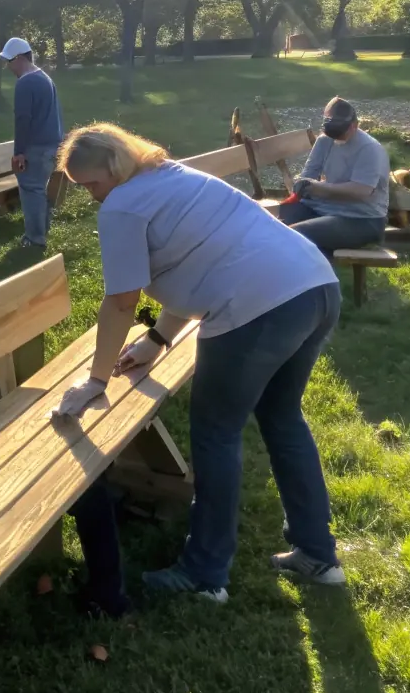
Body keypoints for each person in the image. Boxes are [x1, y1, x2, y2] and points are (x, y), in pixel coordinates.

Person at [54, 123, 346, 607]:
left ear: (112, 167)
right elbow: (203, 260)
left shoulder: (123, 205)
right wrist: (158, 337)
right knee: (281, 417)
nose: (91, 197)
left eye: (91, 184)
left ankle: (206, 573)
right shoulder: (176, 176)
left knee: (215, 433)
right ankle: (318, 555)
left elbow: (121, 300)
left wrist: (95, 379)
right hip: (314, 285)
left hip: (257, 308)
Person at [279, 97, 390, 256]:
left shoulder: (369, 148)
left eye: (340, 133)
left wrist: (319, 187)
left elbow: (362, 190)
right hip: (325, 208)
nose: (336, 138)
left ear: (354, 125)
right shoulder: (325, 140)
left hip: (361, 218)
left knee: (297, 233)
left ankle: (317, 275)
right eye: (332, 134)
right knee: (279, 222)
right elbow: (309, 173)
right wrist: (302, 185)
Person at [0, 36, 64, 249]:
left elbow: (23, 119)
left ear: (19, 58)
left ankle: (35, 240)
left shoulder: (25, 83)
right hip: (52, 146)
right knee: (40, 191)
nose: (7, 66)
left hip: (35, 149)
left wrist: (19, 152)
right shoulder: (44, 78)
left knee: (31, 191)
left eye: (8, 61)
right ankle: (42, 231)